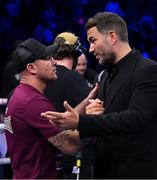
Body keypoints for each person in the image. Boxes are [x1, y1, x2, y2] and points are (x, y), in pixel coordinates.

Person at [41, 12, 157, 179]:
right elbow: (104, 119)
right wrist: (93, 112)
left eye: (93, 41)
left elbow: (136, 118)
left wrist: (82, 121)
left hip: (135, 170)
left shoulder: (148, 70)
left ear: (112, 36)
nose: (90, 49)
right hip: (104, 168)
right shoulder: (104, 75)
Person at [3, 38, 85, 179]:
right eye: (47, 58)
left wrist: (87, 102)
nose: (54, 62)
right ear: (31, 68)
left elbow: (58, 123)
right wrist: (94, 121)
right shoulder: (33, 102)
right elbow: (71, 146)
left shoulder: (20, 95)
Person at [44, 32, 93, 179]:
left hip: (44, 154)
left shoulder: (41, 78)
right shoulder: (76, 80)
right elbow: (92, 113)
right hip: (72, 154)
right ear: (75, 54)